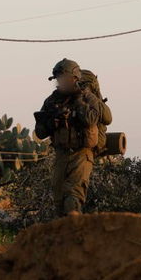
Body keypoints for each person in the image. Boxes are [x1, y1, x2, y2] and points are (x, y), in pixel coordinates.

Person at [33, 59, 112, 216]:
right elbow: (40, 132)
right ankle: (64, 236)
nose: (60, 82)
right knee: (58, 196)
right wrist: (52, 122)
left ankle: (76, 235)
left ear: (74, 78)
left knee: (73, 195)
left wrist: (78, 102)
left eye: (64, 78)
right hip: (61, 154)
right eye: (58, 78)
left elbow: (91, 119)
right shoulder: (52, 100)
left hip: (82, 154)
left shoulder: (88, 98)